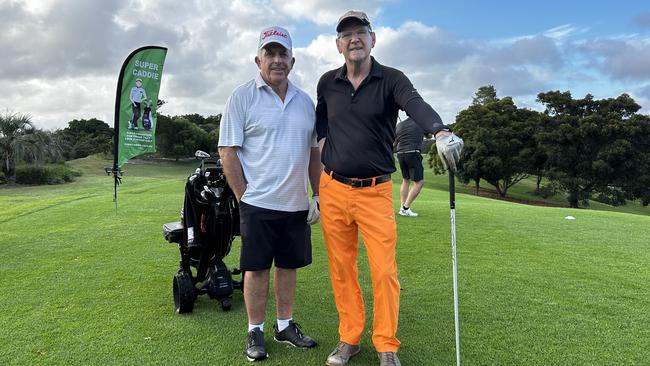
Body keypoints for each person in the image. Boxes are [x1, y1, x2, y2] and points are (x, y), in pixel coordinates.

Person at [315, 10, 464, 366]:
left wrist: (439, 130)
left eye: (360, 32)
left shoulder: (392, 79)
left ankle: (386, 344)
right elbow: (321, 123)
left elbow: (415, 104)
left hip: (375, 191)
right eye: (347, 34)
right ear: (338, 44)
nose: (354, 39)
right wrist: (326, 156)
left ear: (373, 39)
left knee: (383, 271)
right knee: (342, 269)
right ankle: (349, 338)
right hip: (333, 188)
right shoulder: (326, 83)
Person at [218, 25, 321, 362]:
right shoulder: (242, 96)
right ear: (258, 59)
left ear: (292, 60)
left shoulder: (305, 102)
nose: (277, 60)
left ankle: (285, 325)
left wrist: (316, 196)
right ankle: (255, 330)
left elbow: (314, 153)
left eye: (282, 54)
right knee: (257, 269)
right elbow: (228, 150)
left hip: (295, 203)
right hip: (257, 203)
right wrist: (243, 195)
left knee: (289, 267)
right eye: (270, 54)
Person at [394, 117, 429, 217]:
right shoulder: (421, 121)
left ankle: (402, 208)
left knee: (406, 180)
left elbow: (395, 142)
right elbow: (429, 134)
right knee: (419, 182)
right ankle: (405, 208)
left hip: (400, 153)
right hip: (413, 153)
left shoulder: (400, 125)